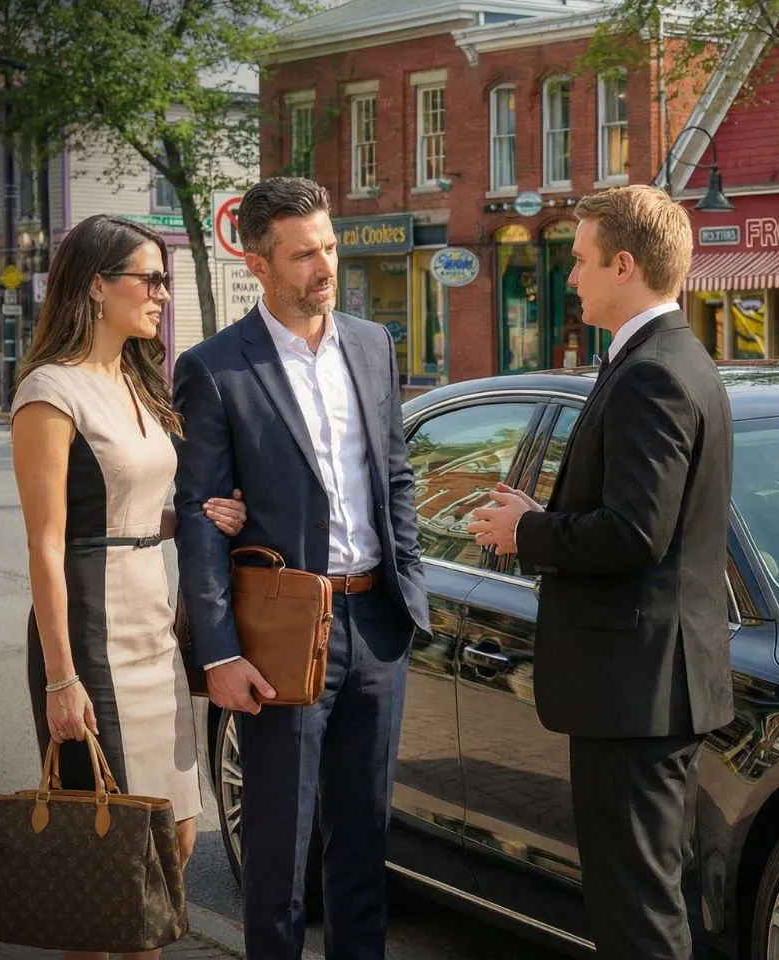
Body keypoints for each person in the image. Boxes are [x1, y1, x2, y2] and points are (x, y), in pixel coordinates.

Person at [469, 184, 735, 960]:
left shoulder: (654, 371)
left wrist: (529, 532)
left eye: (580, 261)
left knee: (636, 916)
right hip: (649, 687)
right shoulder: (671, 359)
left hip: (637, 693)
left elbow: (636, 533)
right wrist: (538, 512)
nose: (571, 277)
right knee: (643, 902)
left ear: (625, 265)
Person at [172, 176, 431, 960]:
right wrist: (218, 651)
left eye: (329, 245)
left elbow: (396, 476)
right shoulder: (215, 368)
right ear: (258, 264)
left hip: (377, 624)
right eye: (304, 254)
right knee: (279, 858)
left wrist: (407, 591)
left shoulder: (370, 343)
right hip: (283, 636)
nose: (325, 265)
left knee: (363, 848)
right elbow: (200, 519)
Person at [10, 214, 247, 960]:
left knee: (175, 838)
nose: (162, 294)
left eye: (164, 278)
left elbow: (133, 505)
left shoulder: (138, 381)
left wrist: (200, 516)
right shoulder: (50, 393)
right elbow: (47, 545)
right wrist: (60, 680)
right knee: (109, 859)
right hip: (91, 635)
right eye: (147, 279)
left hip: (151, 630)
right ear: (94, 287)